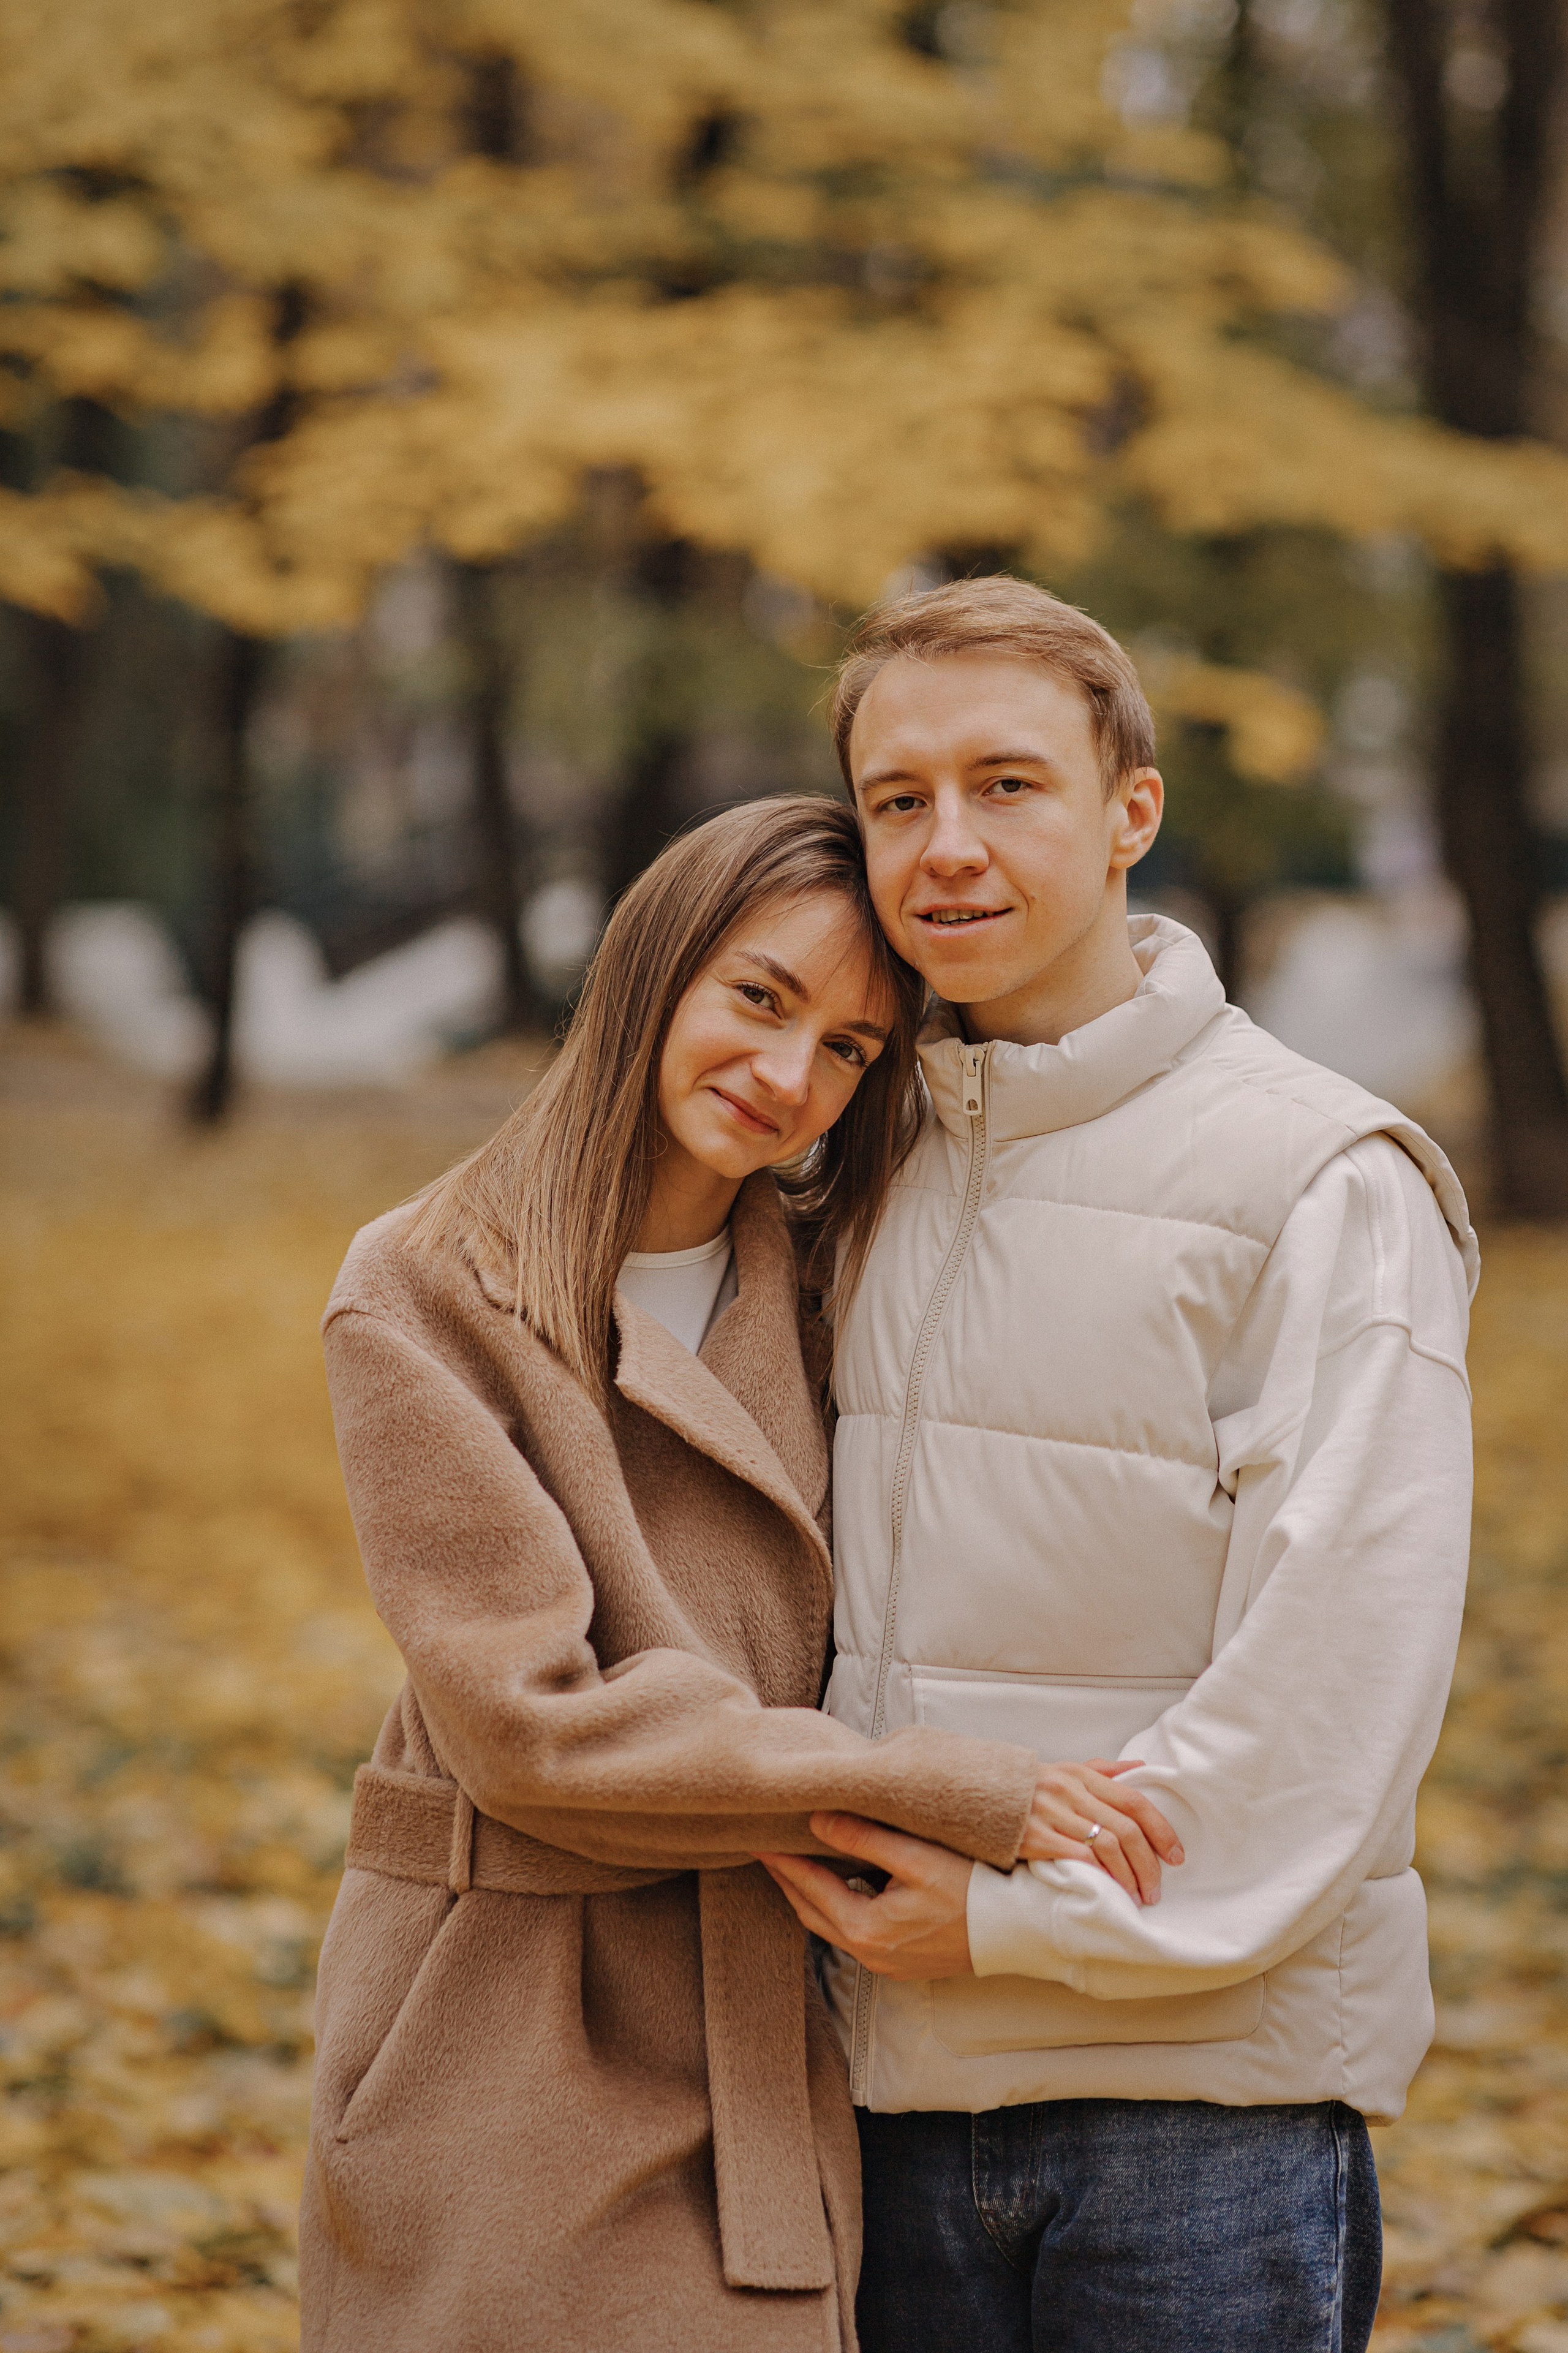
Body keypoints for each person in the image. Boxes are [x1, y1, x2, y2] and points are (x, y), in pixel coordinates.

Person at [298, 795, 1181, 2353]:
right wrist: (931, 1784)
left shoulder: (844, 1277)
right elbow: (531, 1729)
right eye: (757, 999)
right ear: (656, 968)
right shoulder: (424, 1285)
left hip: (780, 2000)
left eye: (846, 1047)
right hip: (505, 2021)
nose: (787, 1077)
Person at [760, 579, 1479, 2353]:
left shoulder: (1318, 1179)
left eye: (1006, 784)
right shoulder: (847, 1160)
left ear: (1128, 810)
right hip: (874, 2089)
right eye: (898, 799)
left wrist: (1017, 1918)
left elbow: (1340, 1675)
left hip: (1194, 2117)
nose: (946, 844)